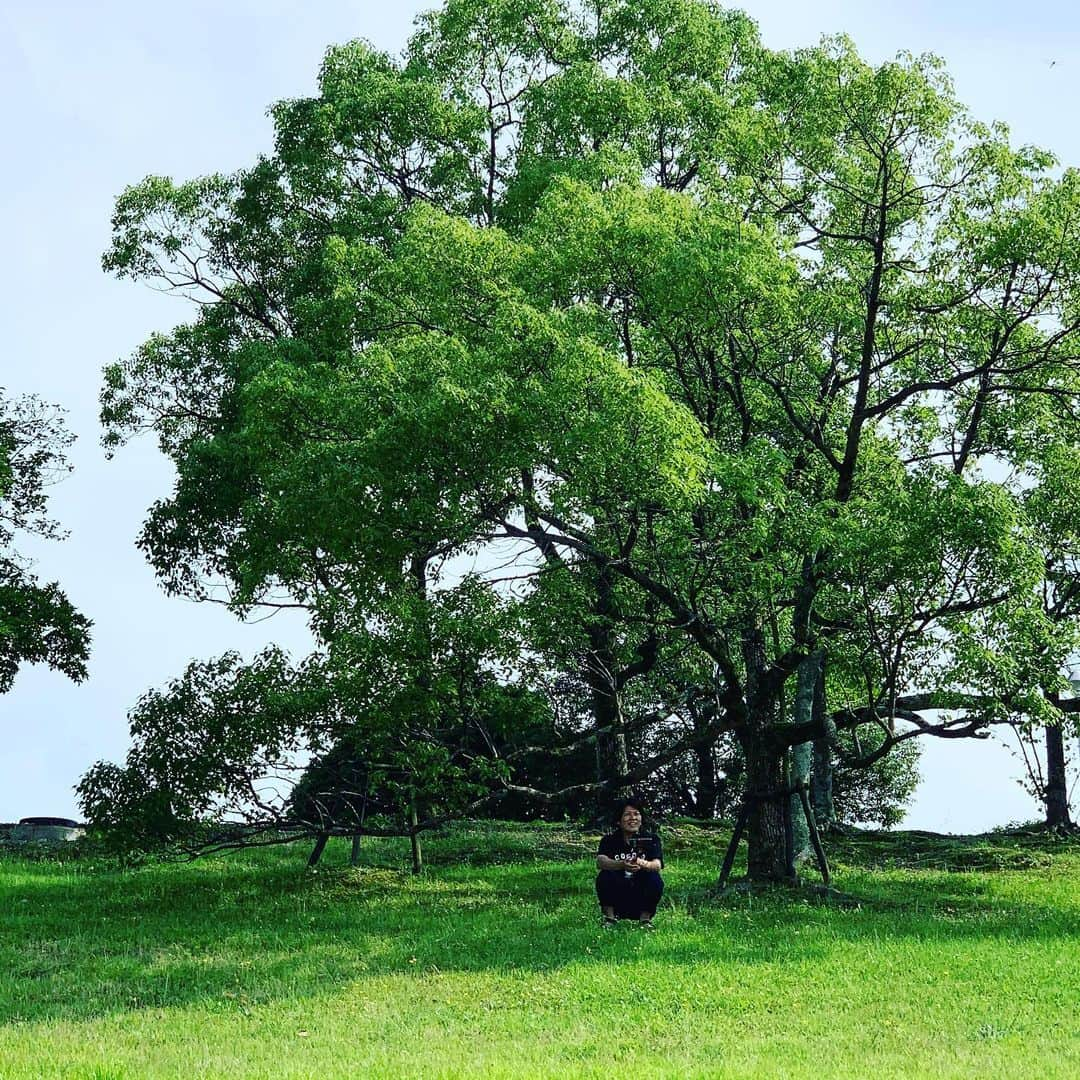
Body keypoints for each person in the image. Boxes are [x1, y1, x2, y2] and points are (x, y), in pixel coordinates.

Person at [595, 799, 664, 929]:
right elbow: (600, 861)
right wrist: (622, 864)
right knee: (604, 876)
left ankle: (645, 921)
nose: (633, 818)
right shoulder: (609, 840)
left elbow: (657, 865)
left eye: (636, 814)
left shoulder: (652, 839)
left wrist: (642, 863)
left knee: (655, 878)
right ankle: (609, 919)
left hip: (640, 891)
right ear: (618, 820)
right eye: (627, 814)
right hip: (618, 891)